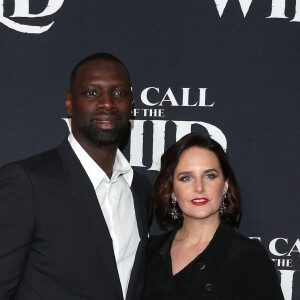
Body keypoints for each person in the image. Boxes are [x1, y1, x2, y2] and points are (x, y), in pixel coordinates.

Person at [0, 53, 152, 300]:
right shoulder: (27, 182)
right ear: (69, 102)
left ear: (131, 104)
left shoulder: (139, 190)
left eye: (119, 93)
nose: (107, 103)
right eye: (92, 93)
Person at [141, 133, 284, 300]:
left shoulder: (248, 257)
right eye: (186, 178)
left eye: (210, 176)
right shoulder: (150, 251)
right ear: (172, 190)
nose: (199, 188)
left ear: (225, 185)